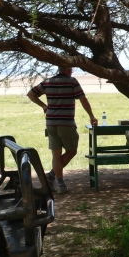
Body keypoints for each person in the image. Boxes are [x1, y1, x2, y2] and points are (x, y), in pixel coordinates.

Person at [27, 66, 97, 194]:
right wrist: (91, 116)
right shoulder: (72, 82)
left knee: (56, 155)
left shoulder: (48, 82)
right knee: (72, 150)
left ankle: (59, 184)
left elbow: (31, 94)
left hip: (51, 122)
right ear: (69, 70)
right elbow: (83, 99)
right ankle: (52, 176)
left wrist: (44, 106)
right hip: (66, 122)